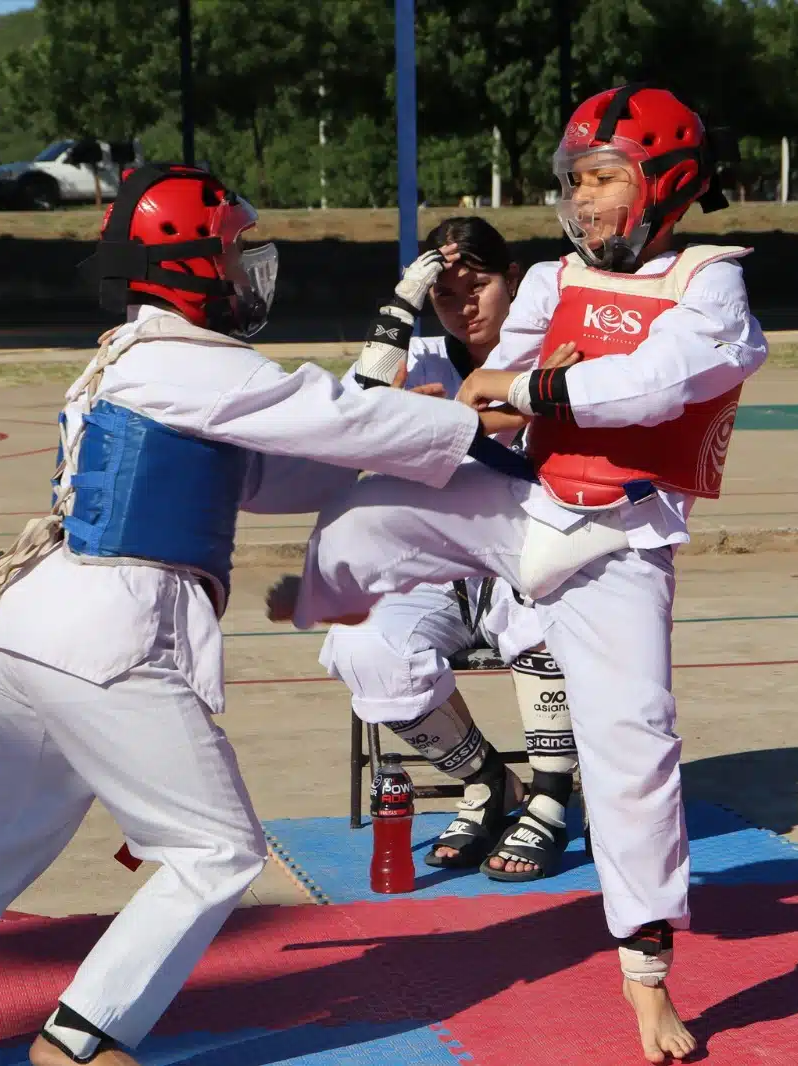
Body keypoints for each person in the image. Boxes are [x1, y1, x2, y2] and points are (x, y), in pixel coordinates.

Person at [0, 164, 518, 1066]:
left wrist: (410, 425)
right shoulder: (186, 363)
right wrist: (467, 424)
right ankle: (79, 1043)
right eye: (236, 251)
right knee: (214, 851)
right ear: (190, 263)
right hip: (111, 640)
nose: (249, 270)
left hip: (42, 634)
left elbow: (283, 470)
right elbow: (323, 415)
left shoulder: (142, 357)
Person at [268, 85, 769, 1064]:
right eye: (574, 181)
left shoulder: (708, 282)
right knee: (366, 510)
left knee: (632, 748)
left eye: (603, 179)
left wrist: (539, 387)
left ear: (663, 180)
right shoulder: (549, 279)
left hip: (619, 546)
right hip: (521, 506)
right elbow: (483, 402)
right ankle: (319, 596)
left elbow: (656, 383)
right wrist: (530, 390)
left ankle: (645, 976)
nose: (583, 201)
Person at [324, 216, 582, 881]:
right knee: (361, 646)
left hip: (525, 557)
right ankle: (489, 782)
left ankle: (552, 795)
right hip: (433, 569)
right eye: (446, 294)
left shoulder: (556, 350)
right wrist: (403, 310)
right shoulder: (418, 360)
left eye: (480, 286)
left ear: (513, 281)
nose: (464, 304)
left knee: (543, 590)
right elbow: (354, 418)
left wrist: (437, 424)